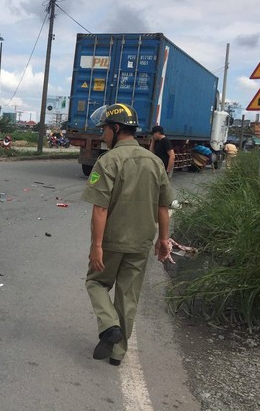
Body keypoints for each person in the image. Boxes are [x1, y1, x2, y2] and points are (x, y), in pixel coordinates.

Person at [81, 103, 174, 366]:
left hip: (112, 241)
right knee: (127, 295)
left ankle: (110, 326)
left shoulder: (108, 161)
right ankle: (117, 354)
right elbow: (163, 207)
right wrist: (163, 240)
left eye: (105, 130)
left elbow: (100, 208)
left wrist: (96, 246)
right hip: (141, 242)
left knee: (96, 282)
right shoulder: (155, 162)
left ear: (116, 128)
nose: (103, 135)